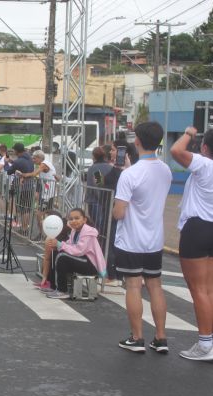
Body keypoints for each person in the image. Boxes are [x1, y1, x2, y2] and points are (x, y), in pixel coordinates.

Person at [113, 121, 172, 354]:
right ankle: (161, 337)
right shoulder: (165, 170)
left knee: (133, 286)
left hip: (131, 240)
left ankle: (137, 337)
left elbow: (119, 212)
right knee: (155, 286)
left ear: (137, 140)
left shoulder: (129, 175)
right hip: (154, 239)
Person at [170, 127, 213, 361]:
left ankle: (204, 345)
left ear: (205, 147)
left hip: (196, 229)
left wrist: (188, 133)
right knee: (210, 288)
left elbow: (175, 151)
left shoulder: (204, 164)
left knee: (198, 290)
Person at [42, 208, 107, 299]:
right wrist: (57, 246)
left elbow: (79, 250)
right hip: (81, 259)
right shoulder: (74, 231)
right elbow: (69, 244)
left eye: (77, 218)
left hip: (90, 264)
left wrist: (60, 244)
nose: (73, 221)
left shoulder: (88, 233)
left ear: (84, 220)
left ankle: (62, 290)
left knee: (62, 256)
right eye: (71, 219)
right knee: (56, 252)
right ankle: (53, 286)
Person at [103, 139, 138, 287]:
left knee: (111, 241)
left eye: (113, 149)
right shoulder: (112, 168)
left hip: (112, 209)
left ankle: (114, 275)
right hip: (114, 208)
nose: (111, 152)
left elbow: (99, 183)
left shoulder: (110, 169)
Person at [34, 210, 71, 291]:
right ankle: (49, 282)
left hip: (64, 263)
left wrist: (44, 278)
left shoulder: (50, 238)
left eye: (45, 219)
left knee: (52, 256)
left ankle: (51, 283)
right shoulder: (63, 231)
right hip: (67, 262)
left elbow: (47, 259)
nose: (42, 221)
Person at [5, 143, 34, 230]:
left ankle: (23, 228)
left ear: (17, 150)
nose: (13, 151)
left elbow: (9, 171)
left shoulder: (19, 161)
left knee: (22, 209)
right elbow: (22, 166)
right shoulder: (30, 158)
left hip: (22, 186)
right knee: (27, 209)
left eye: (14, 150)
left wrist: (7, 163)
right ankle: (25, 228)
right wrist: (13, 162)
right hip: (30, 185)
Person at [85, 147, 113, 237]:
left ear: (94, 156)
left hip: (95, 201)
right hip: (107, 200)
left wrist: (100, 199)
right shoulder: (110, 167)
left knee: (96, 225)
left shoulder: (95, 168)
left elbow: (98, 185)